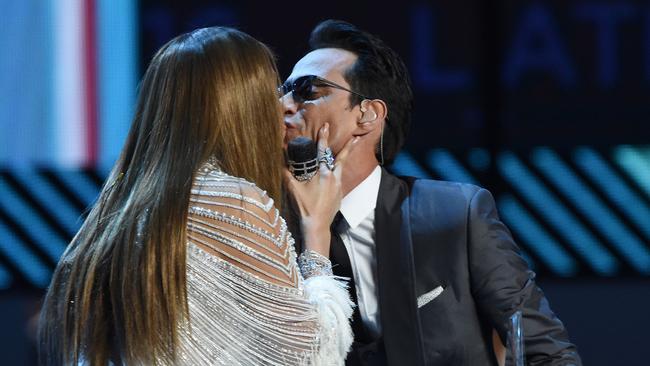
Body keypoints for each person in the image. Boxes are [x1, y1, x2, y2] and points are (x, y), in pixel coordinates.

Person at [38, 26, 356, 365]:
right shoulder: (237, 202)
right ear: (242, 106)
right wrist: (317, 235)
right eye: (271, 93)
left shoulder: (120, 206)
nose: (283, 108)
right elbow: (313, 353)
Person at [281, 20, 582, 366]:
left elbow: (548, 351)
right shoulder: (274, 228)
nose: (286, 106)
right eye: (283, 92)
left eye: (308, 90)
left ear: (367, 114)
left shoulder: (454, 213)